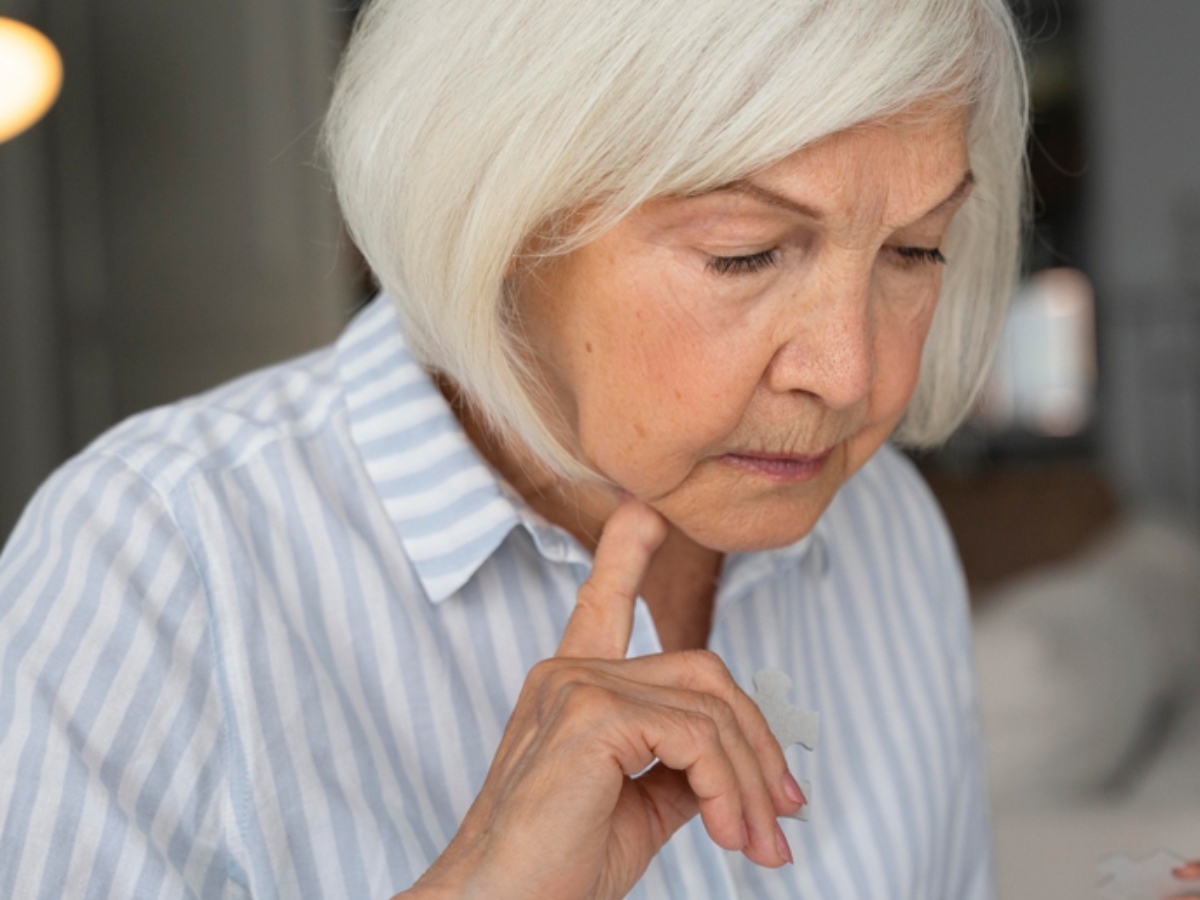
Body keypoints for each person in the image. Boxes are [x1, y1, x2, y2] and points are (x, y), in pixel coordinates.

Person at [0, 0, 1042, 897]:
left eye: (914, 250)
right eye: (746, 253)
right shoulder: (160, 559)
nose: (851, 372)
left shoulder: (890, 530)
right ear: (498, 217)